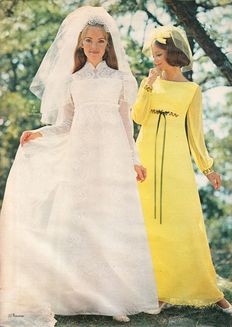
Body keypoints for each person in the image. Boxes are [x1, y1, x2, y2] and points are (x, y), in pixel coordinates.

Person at [0, 7, 159, 327]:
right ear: (80, 44)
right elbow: (65, 124)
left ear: (108, 45)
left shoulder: (120, 79)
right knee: (80, 223)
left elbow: (126, 124)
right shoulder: (73, 80)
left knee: (111, 222)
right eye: (88, 40)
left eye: (101, 41)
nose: (95, 45)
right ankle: (77, 295)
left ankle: (114, 298)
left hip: (112, 158)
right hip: (80, 159)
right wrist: (39, 133)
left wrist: (135, 160)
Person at [132, 25, 232, 314]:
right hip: (145, 163)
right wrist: (148, 86)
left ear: (174, 54)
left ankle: (213, 293)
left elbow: (195, 135)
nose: (155, 60)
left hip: (177, 167)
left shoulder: (192, 90)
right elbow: (138, 117)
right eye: (153, 55)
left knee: (185, 226)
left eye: (160, 54)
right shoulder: (148, 83)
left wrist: (208, 168)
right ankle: (158, 292)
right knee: (149, 225)